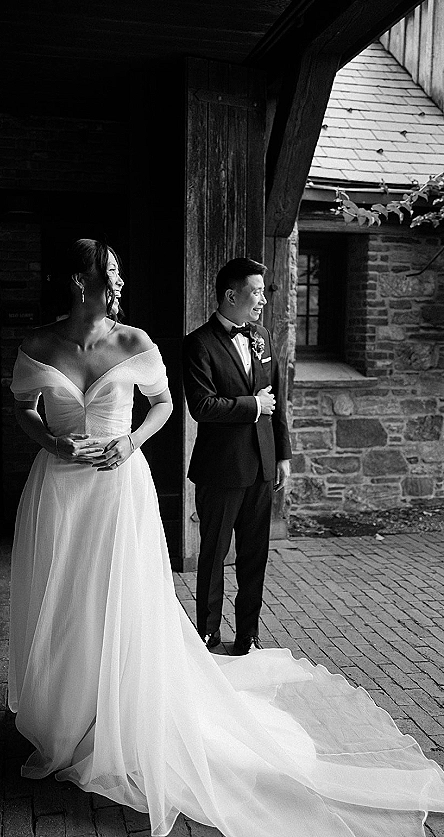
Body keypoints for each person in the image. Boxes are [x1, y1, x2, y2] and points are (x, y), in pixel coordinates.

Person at [9, 238, 444, 837]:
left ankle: (123, 709)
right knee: (64, 598)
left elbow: (163, 407)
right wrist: (54, 441)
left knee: (122, 596)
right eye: (108, 271)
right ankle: (70, 711)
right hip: (59, 489)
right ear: (81, 282)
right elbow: (26, 408)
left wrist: (130, 443)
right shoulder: (37, 344)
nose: (118, 279)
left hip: (117, 489)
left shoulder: (134, 342)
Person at [182, 258, 291, 655]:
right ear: (232, 296)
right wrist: (252, 406)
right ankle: (208, 637)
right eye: (256, 291)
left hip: (263, 465)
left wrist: (283, 455)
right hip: (221, 470)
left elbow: (277, 397)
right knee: (213, 557)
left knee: (254, 557)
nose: (263, 299)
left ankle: (247, 635)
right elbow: (203, 407)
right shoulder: (198, 344)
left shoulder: (262, 336)